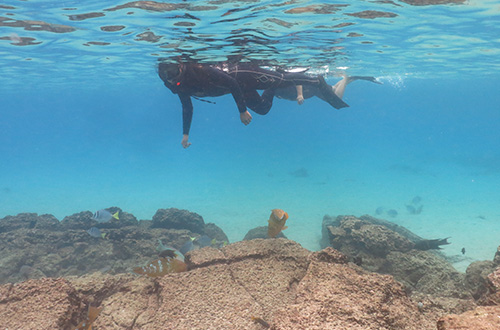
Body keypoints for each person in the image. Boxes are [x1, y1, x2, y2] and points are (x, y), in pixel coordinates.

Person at [158, 61, 347, 148]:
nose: (171, 78)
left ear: (180, 65)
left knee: (280, 79)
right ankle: (278, 80)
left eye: (173, 71)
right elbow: (187, 107)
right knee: (264, 109)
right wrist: (185, 135)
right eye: (166, 75)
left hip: (243, 74)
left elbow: (231, 83)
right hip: (240, 88)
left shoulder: (198, 69)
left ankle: (315, 81)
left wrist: (242, 111)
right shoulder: (177, 86)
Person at [275, 75, 382, 105]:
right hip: (312, 90)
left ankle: (345, 78)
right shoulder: (272, 89)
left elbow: (296, 78)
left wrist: (300, 95)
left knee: (337, 99)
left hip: (312, 87)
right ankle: (353, 78)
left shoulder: (275, 81)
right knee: (335, 89)